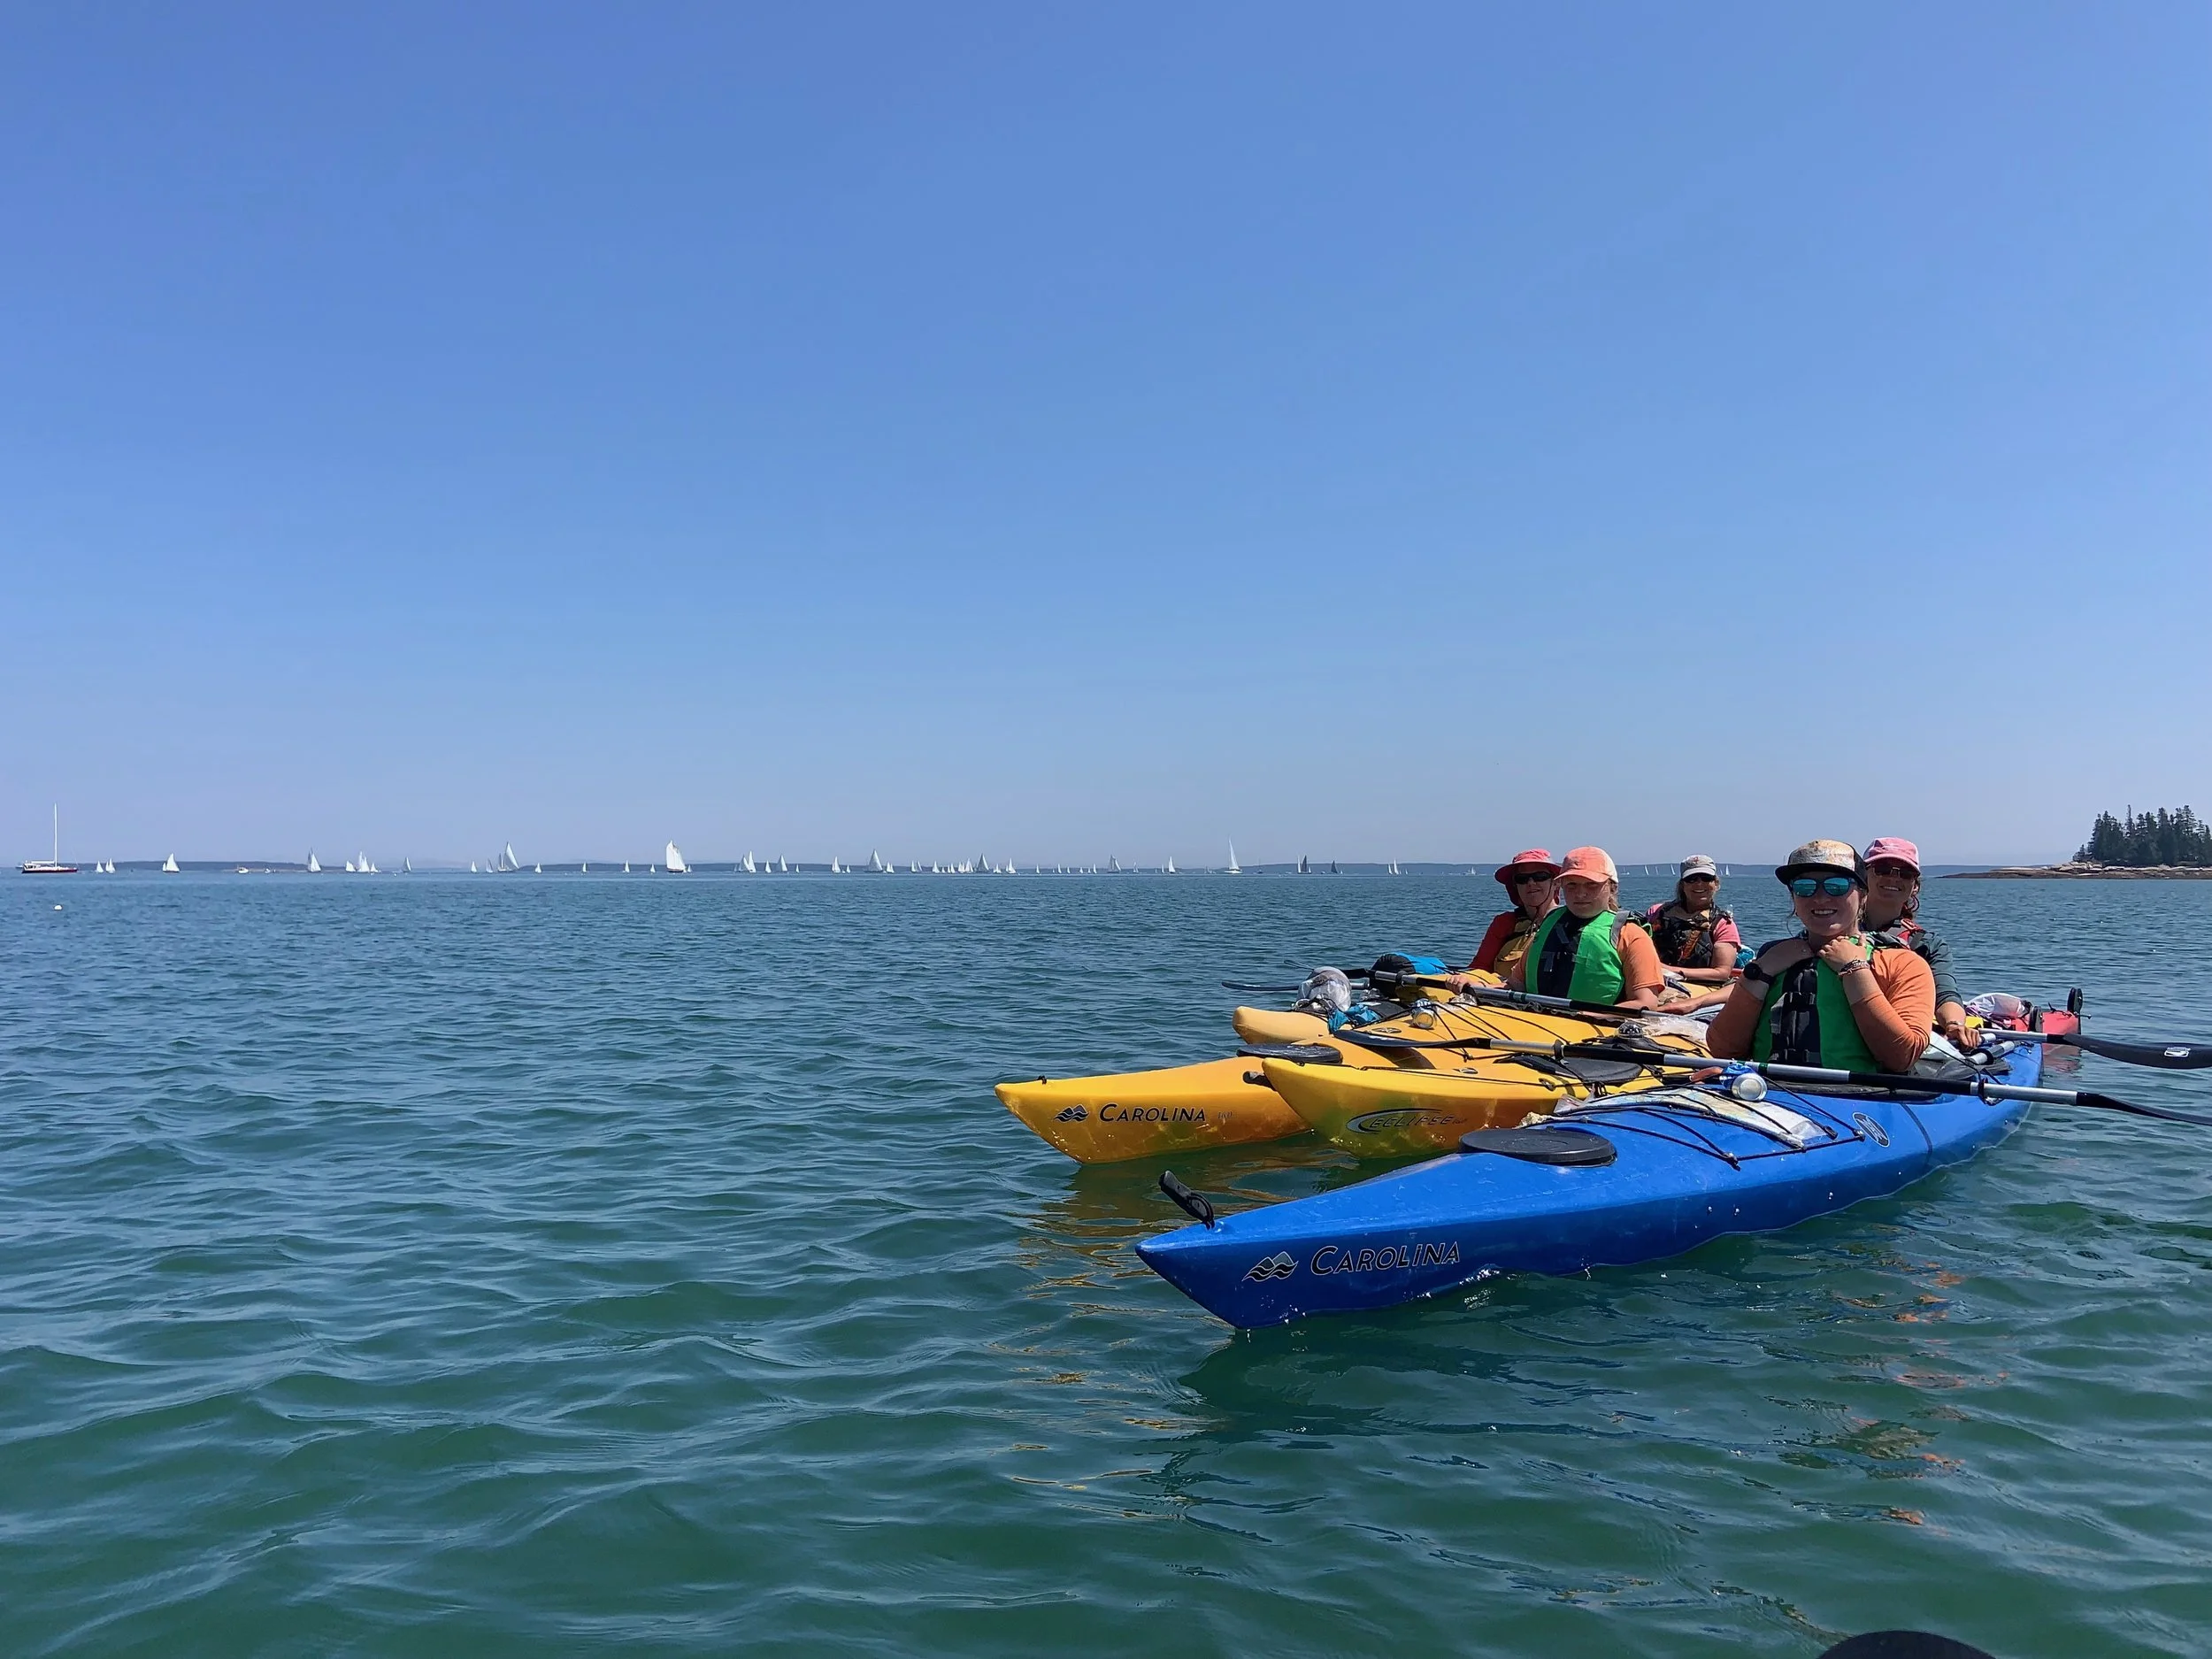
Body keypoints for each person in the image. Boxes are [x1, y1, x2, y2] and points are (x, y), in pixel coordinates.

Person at [1708, 840, 1935, 1073]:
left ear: (1863, 895)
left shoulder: (1901, 963)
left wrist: (1855, 969)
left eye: (1837, 886)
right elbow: (1722, 1049)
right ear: (1794, 898)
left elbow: (1901, 1057)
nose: (1820, 898)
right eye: (1805, 887)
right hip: (1770, 1090)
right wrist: (1758, 974)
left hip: (1859, 1093)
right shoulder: (1772, 959)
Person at [1502, 846, 1663, 1010]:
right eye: (1572, 885)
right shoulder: (1549, 923)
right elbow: (1515, 985)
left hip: (1592, 1023)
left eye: (1591, 885)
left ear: (1612, 888)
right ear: (1561, 886)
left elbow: (1646, 1003)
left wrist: (1588, 1017)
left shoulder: (1630, 935)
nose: (1580, 894)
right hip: (1534, 1018)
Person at [1860, 837, 1973, 1049]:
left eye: (1905, 873)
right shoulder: (1832, 929)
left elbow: (1945, 993)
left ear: (1915, 886)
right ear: (1862, 876)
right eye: (1882, 869)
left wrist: (1954, 1024)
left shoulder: (1928, 945)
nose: (1893, 878)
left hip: (1894, 1043)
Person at [1453, 849, 1561, 988]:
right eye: (1522, 879)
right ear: (1515, 886)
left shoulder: (1568, 923)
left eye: (1540, 876)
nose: (1531, 883)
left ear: (1556, 882)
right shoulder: (1504, 923)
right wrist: (1464, 981)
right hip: (1492, 995)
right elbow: (1479, 967)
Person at [1644, 855, 1741, 981]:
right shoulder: (1657, 912)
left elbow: (1721, 972)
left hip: (1698, 987)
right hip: (1650, 979)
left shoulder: (1722, 924)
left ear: (1716, 884)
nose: (1699, 884)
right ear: (1682, 885)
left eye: (1706, 878)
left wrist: (1668, 970)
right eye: (1691, 879)